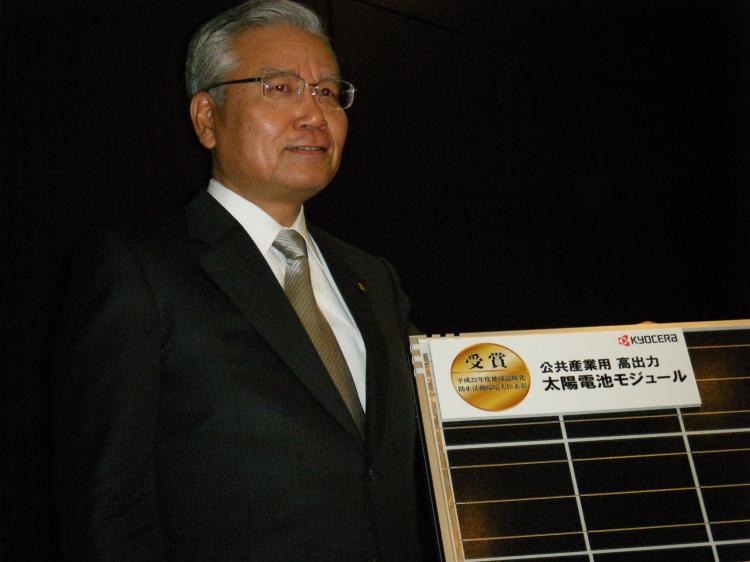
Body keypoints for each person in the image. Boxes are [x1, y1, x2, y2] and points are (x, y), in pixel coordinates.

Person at [52, 1, 427, 560]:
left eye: (328, 92)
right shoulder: (137, 269)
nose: (313, 114)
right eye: (280, 88)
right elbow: (108, 509)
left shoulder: (373, 278)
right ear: (207, 118)